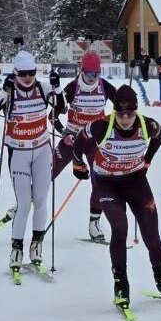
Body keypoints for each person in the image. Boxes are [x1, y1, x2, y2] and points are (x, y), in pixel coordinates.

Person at [71, 85, 161, 310]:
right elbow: (78, 140)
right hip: (107, 183)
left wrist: (148, 160)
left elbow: (159, 136)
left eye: (130, 114)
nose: (125, 119)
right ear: (114, 112)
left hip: (135, 182)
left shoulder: (147, 124)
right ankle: (120, 284)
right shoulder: (102, 125)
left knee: (151, 232)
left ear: (136, 111)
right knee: (120, 228)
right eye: (120, 114)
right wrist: (78, 163)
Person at [0, 50, 59, 276]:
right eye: (24, 74)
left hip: (42, 151)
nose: (28, 78)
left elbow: (61, 107)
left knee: (40, 200)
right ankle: (16, 249)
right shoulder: (10, 92)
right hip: (18, 152)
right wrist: (3, 91)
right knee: (24, 203)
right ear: (15, 73)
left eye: (32, 73)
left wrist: (57, 88)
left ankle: (36, 246)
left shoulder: (42, 88)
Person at [50, 51, 116, 241]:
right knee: (48, 173)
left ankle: (94, 223)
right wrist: (63, 131)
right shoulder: (72, 88)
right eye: (88, 74)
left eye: (96, 74)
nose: (92, 78)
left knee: (100, 182)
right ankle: (24, 204)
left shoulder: (104, 86)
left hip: (94, 143)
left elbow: (122, 105)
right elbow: (53, 116)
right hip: (72, 139)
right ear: (81, 70)